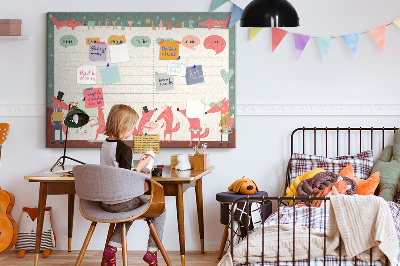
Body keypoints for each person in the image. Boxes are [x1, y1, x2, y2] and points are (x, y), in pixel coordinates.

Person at [100, 104, 166, 266]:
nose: (133, 130)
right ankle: (152, 252)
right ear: (123, 126)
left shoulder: (105, 145)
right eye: (132, 127)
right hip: (120, 202)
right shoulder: (124, 149)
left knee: (129, 210)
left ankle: (112, 248)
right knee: (160, 209)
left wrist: (134, 169)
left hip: (105, 202)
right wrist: (139, 168)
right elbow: (127, 180)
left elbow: (117, 171)